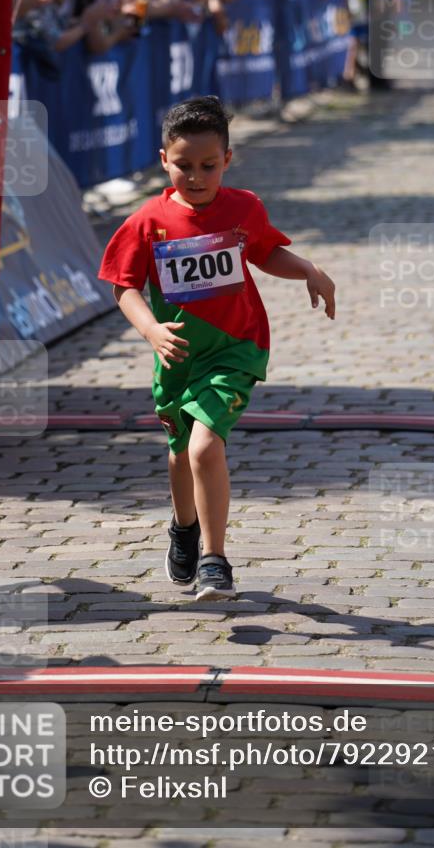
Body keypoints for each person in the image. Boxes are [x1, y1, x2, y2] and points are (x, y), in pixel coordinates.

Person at [98, 96, 335, 600]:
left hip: (235, 349)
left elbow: (267, 252)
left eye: (209, 166)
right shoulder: (147, 221)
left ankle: (214, 558)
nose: (197, 176)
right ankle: (183, 529)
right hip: (177, 355)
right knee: (180, 452)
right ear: (164, 160)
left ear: (228, 160)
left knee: (206, 446)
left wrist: (309, 271)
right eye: (184, 166)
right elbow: (123, 285)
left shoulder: (243, 207)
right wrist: (151, 332)